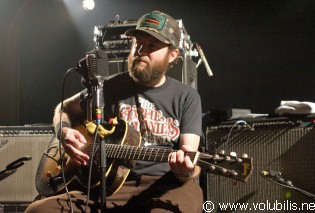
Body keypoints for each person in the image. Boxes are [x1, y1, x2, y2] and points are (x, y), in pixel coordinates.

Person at [25, 10, 203, 213]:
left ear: (173, 55)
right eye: (138, 43)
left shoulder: (186, 97)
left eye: (152, 46)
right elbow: (64, 108)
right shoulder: (109, 87)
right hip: (108, 185)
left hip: (166, 186)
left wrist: (185, 170)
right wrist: (63, 131)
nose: (140, 51)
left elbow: (189, 158)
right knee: (37, 211)